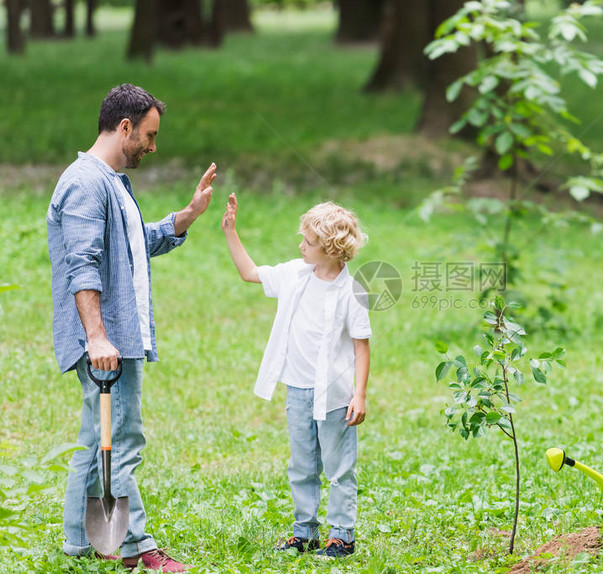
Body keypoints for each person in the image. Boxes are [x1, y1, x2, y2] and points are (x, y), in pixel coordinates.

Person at [47, 83, 217, 572]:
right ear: (125, 127)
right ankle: (136, 547)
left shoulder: (112, 183)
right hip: (107, 339)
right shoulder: (86, 183)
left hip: (117, 336)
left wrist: (184, 218)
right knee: (123, 441)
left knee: (94, 437)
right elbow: (83, 263)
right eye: (149, 134)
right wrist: (99, 337)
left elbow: (132, 244)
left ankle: (80, 543)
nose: (152, 146)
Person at [221, 193, 371, 558]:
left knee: (339, 468)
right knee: (302, 466)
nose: (300, 245)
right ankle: (304, 532)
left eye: (308, 241)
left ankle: (342, 536)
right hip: (298, 392)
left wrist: (360, 394)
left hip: (335, 396)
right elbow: (249, 273)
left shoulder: (352, 291)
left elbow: (361, 346)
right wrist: (230, 231)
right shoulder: (294, 274)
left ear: (331, 249)